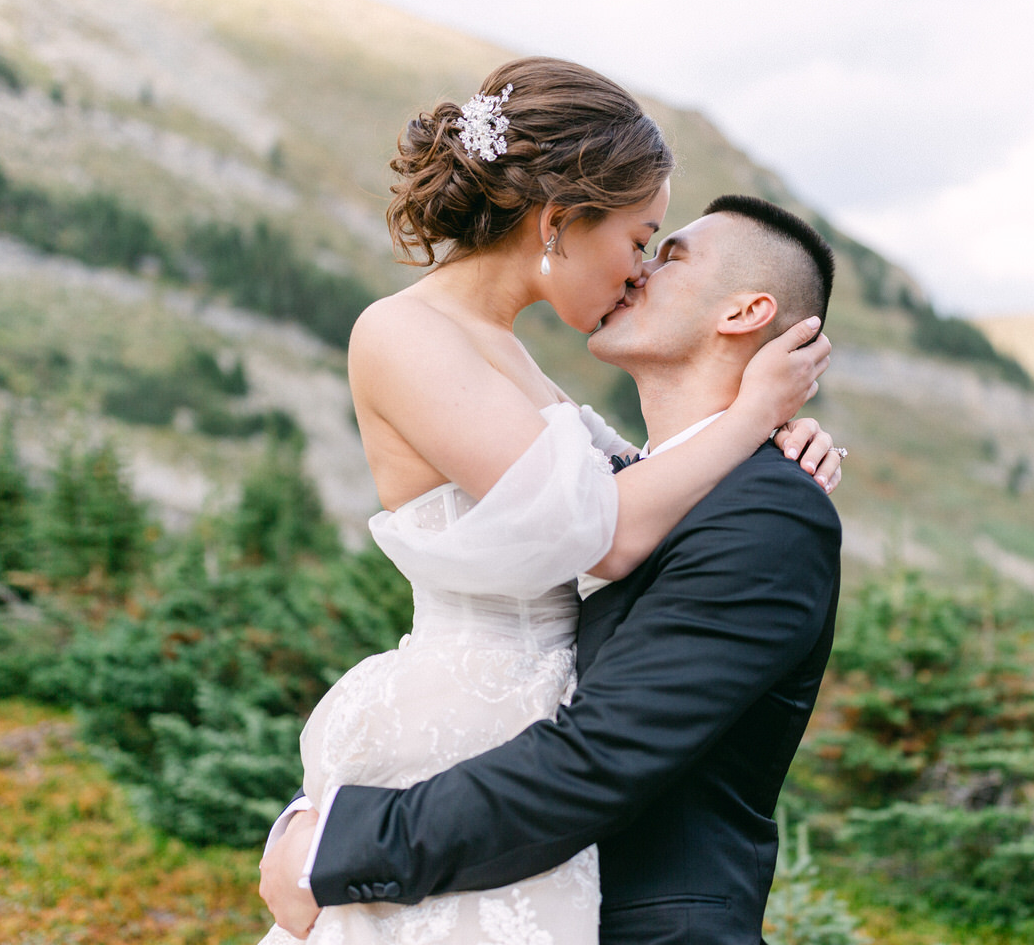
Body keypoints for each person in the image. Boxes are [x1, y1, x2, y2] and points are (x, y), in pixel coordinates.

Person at [255, 58, 842, 945]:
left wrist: (772, 442)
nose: (638, 269)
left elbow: (615, 512)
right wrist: (755, 417)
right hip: (459, 754)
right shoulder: (408, 332)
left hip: (519, 813)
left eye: (660, 249)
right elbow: (599, 531)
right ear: (559, 221)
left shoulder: (751, 501)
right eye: (641, 238)